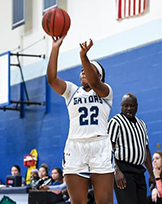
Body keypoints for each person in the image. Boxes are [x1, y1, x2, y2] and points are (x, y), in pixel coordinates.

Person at [46, 36, 114, 204]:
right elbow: (52, 79)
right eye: (82, 69)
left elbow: (94, 83)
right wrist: (55, 48)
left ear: (99, 76)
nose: (83, 71)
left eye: (89, 69)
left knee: (105, 202)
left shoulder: (105, 92)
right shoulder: (71, 91)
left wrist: (83, 56)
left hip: (100, 147)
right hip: (75, 147)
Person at [108, 93, 155, 204]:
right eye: (126, 105)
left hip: (139, 170)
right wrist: (116, 171)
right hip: (123, 170)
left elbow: (146, 150)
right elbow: (108, 149)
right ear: (121, 106)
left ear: (137, 106)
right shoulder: (115, 122)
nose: (129, 108)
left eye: (132, 106)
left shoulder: (142, 124)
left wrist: (152, 174)